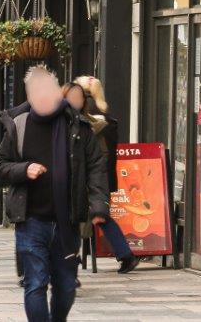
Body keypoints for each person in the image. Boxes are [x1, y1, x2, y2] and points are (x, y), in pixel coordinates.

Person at [0, 65, 109, 322]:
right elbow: (0, 166)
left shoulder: (78, 126)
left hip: (67, 220)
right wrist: (24, 169)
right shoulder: (18, 125)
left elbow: (96, 168)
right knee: (35, 282)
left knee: (66, 285)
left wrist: (99, 206)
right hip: (31, 220)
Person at [70, 76, 139, 274]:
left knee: (77, 217)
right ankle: (125, 254)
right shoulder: (107, 115)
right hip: (103, 176)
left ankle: (71, 260)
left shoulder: (82, 114)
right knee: (101, 216)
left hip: (86, 175)